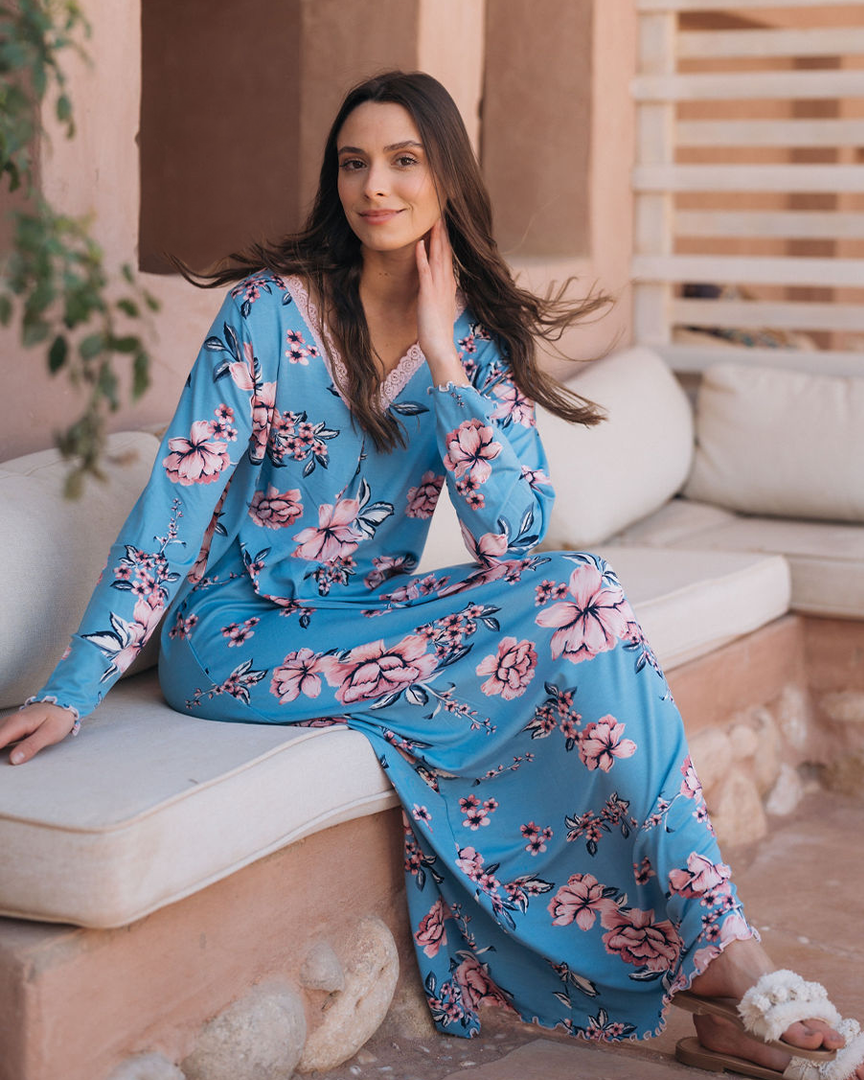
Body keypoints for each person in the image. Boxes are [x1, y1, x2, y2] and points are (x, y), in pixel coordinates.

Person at [1, 71, 861, 1080]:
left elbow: (514, 540)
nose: (375, 186)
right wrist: (75, 684)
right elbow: (175, 504)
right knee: (572, 622)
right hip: (237, 639)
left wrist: (446, 357)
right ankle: (722, 967)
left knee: (581, 591)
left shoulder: (475, 340)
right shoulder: (265, 314)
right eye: (354, 163)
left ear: (447, 177)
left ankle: (719, 958)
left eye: (404, 161)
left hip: (367, 618)